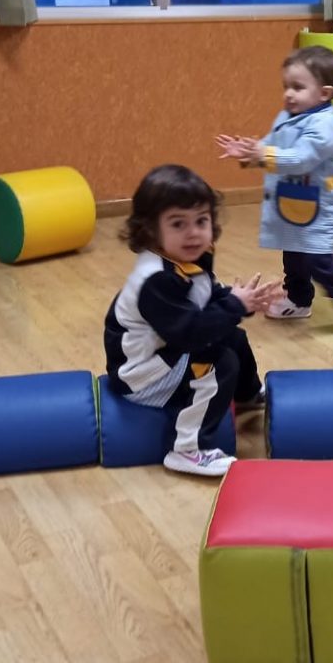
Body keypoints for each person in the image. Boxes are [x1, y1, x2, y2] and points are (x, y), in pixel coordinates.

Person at [103, 164, 280, 477]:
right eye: (178, 224)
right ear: (151, 231)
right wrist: (234, 306)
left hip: (166, 351)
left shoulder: (189, 259)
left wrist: (242, 301)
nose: (194, 232)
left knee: (234, 338)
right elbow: (191, 333)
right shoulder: (156, 280)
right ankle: (187, 448)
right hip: (142, 374)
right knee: (218, 362)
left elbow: (205, 299)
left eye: (201, 221)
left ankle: (248, 394)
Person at [215, 45, 333, 333]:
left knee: (317, 260)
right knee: (294, 257)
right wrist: (250, 153)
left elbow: (301, 157)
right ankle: (298, 300)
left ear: (324, 93)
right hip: (295, 205)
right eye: (286, 86)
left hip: (322, 210)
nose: (288, 94)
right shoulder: (287, 115)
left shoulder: (325, 127)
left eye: (298, 87)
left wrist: (264, 154)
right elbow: (274, 143)